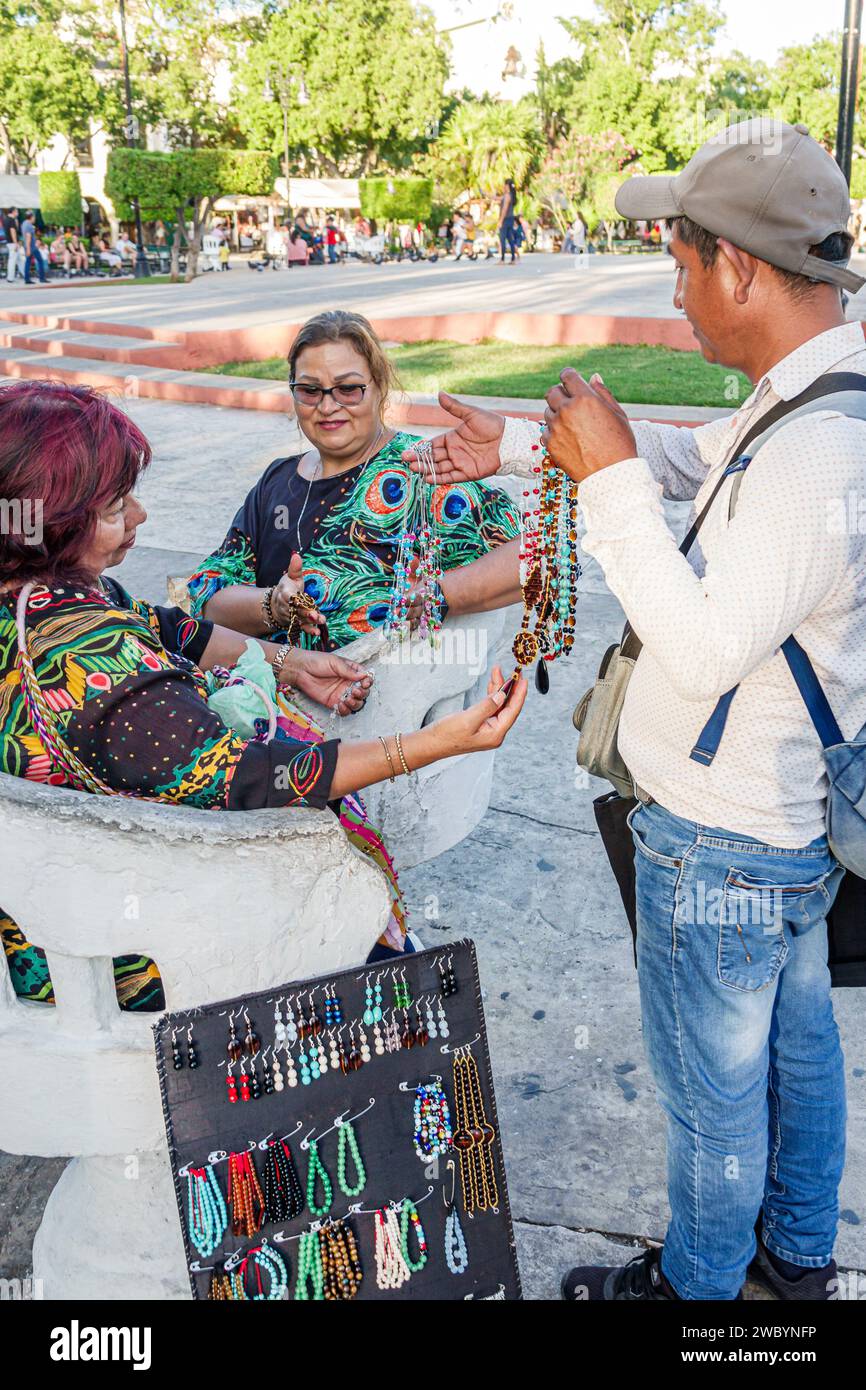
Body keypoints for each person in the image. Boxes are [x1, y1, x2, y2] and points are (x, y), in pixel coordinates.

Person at [407, 118, 866, 1304]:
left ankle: (698, 1293)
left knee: (713, 1095)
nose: (671, 288)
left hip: (721, 835)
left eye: (676, 260)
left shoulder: (823, 446)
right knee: (796, 1059)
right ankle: (795, 1259)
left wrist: (602, 478)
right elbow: (690, 464)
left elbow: (703, 645)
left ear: (739, 271)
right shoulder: (810, 390)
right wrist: (529, 448)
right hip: (774, 825)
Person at [0, 379, 527, 1010]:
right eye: (115, 508)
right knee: (394, 971)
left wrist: (286, 662)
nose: (140, 517)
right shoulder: (93, 667)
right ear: (48, 524)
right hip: (135, 954)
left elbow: (171, 627)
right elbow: (260, 778)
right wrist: (434, 743)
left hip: (51, 917)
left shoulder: (46, 597)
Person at [187, 310, 523, 652]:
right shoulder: (278, 480)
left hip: (379, 696)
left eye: (348, 389)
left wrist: (439, 595)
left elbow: (539, 558)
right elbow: (209, 599)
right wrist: (273, 605)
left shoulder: (421, 471)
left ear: (380, 387)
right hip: (267, 692)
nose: (328, 406)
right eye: (309, 390)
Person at [21, 210, 46, 285]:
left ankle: (27, 279)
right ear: (31, 217)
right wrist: (29, 249)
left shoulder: (24, 223)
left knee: (27, 262)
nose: (34, 218)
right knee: (40, 260)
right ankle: (42, 278)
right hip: (31, 247)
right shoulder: (29, 225)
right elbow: (28, 237)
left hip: (27, 246)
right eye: (34, 217)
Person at [498, 179, 518, 264]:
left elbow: (504, 209)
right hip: (510, 219)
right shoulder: (510, 195)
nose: (503, 186)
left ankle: (502, 260)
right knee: (510, 239)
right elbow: (496, 198)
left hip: (505, 219)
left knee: (502, 239)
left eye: (504, 185)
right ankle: (513, 259)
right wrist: (485, 194)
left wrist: (500, 221)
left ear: (507, 186)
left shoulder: (507, 196)